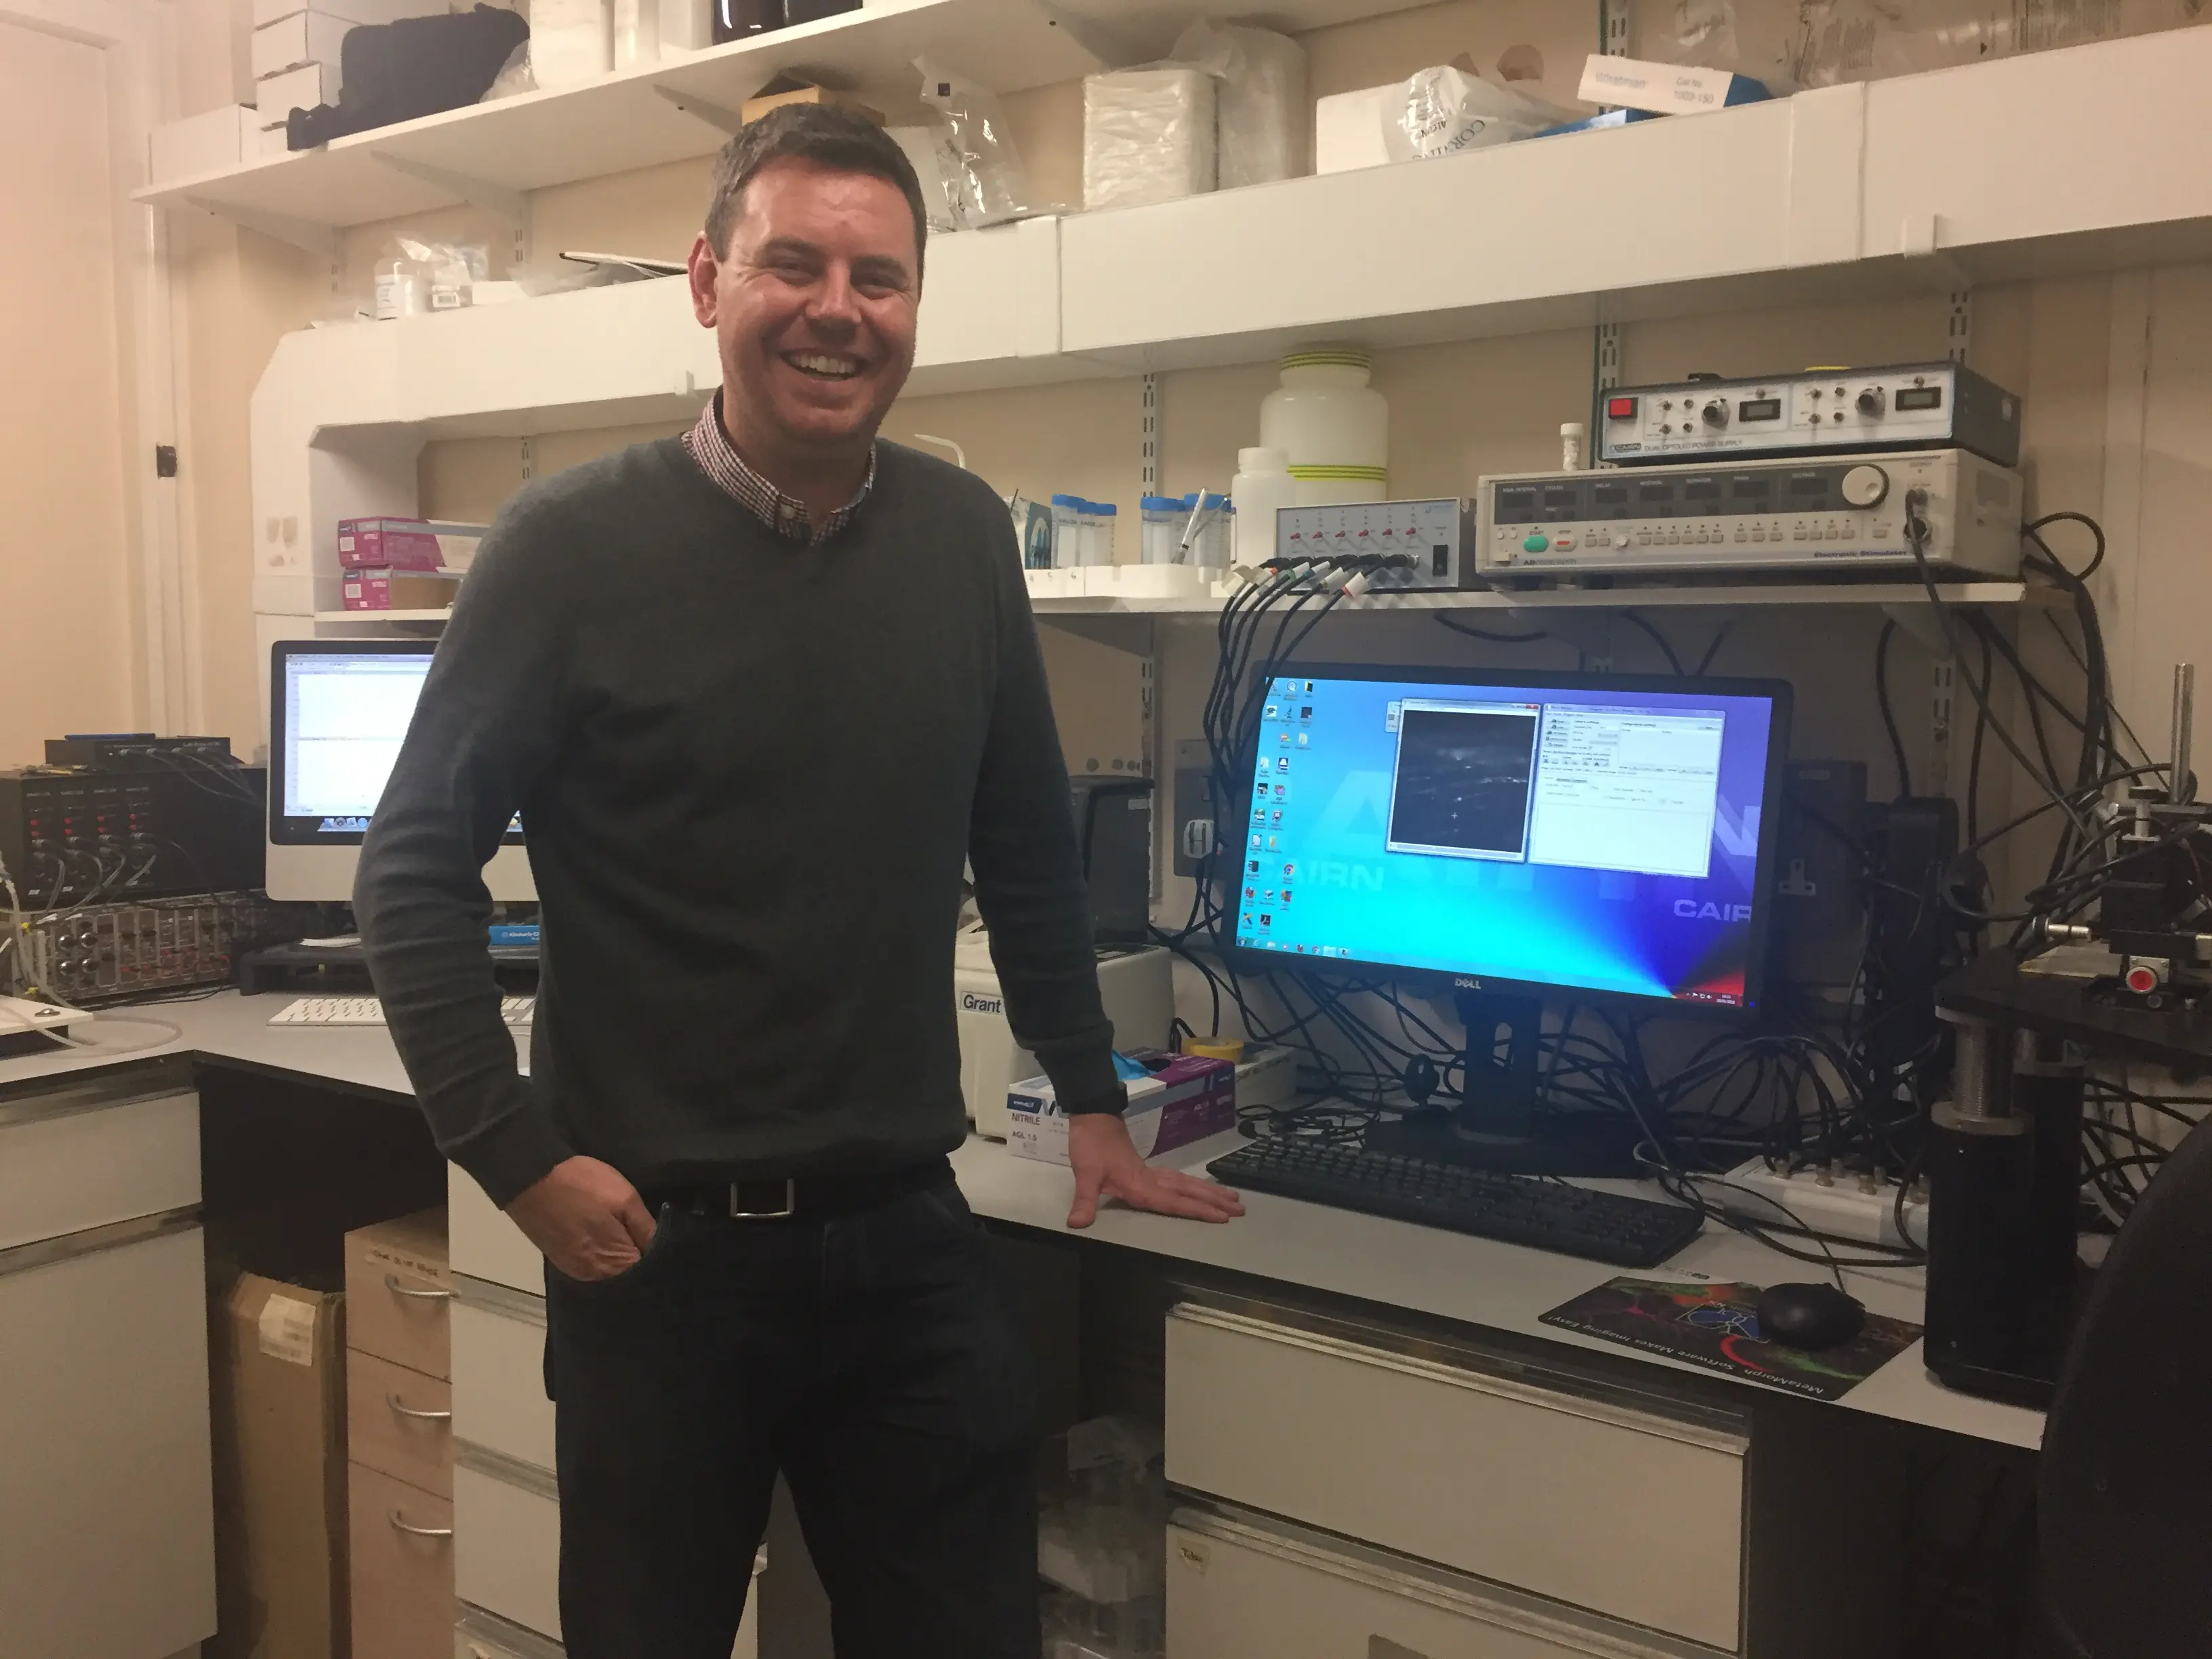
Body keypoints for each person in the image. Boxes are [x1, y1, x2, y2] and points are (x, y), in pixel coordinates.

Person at [354, 104, 1242, 1659]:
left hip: (907, 1235)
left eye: (879, 278)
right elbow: (411, 870)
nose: (839, 310)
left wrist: (1095, 1103)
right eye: (795, 265)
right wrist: (513, 1153)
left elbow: (1022, 839)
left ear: (910, 309)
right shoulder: (567, 550)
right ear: (708, 283)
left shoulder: (963, 537)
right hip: (657, 1259)